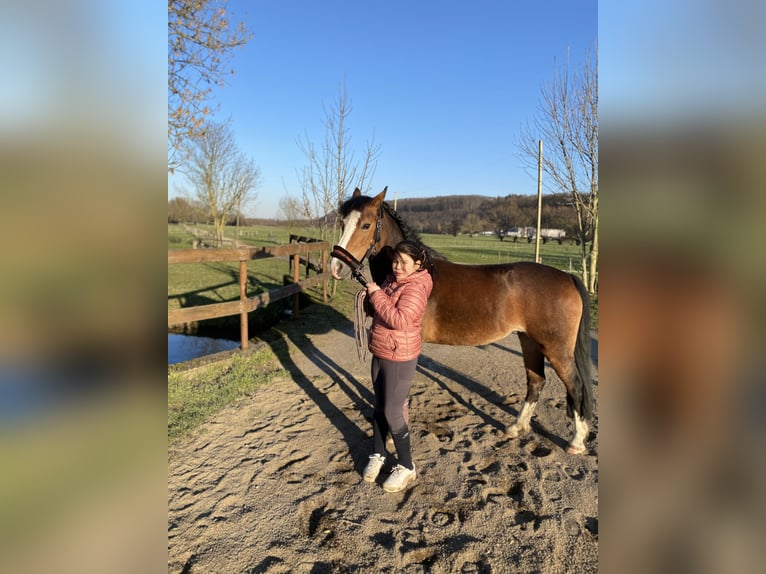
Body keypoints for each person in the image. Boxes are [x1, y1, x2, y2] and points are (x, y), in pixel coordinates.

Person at [362, 240, 433, 492]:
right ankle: (378, 453)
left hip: (399, 356)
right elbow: (382, 311)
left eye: (404, 262)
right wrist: (372, 300)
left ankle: (406, 465)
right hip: (380, 350)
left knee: (393, 411)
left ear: (418, 264)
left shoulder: (416, 287)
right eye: (395, 260)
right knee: (379, 406)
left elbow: (400, 320)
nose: (397, 266)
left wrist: (376, 295)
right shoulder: (392, 280)